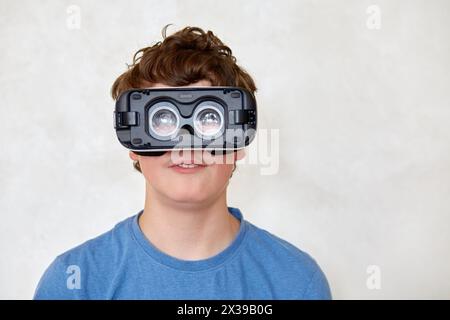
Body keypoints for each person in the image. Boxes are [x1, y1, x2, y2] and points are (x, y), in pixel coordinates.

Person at [34, 25, 331, 300]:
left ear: (239, 142)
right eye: (163, 120)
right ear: (133, 145)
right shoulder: (75, 284)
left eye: (209, 119)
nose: (187, 143)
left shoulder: (295, 283)